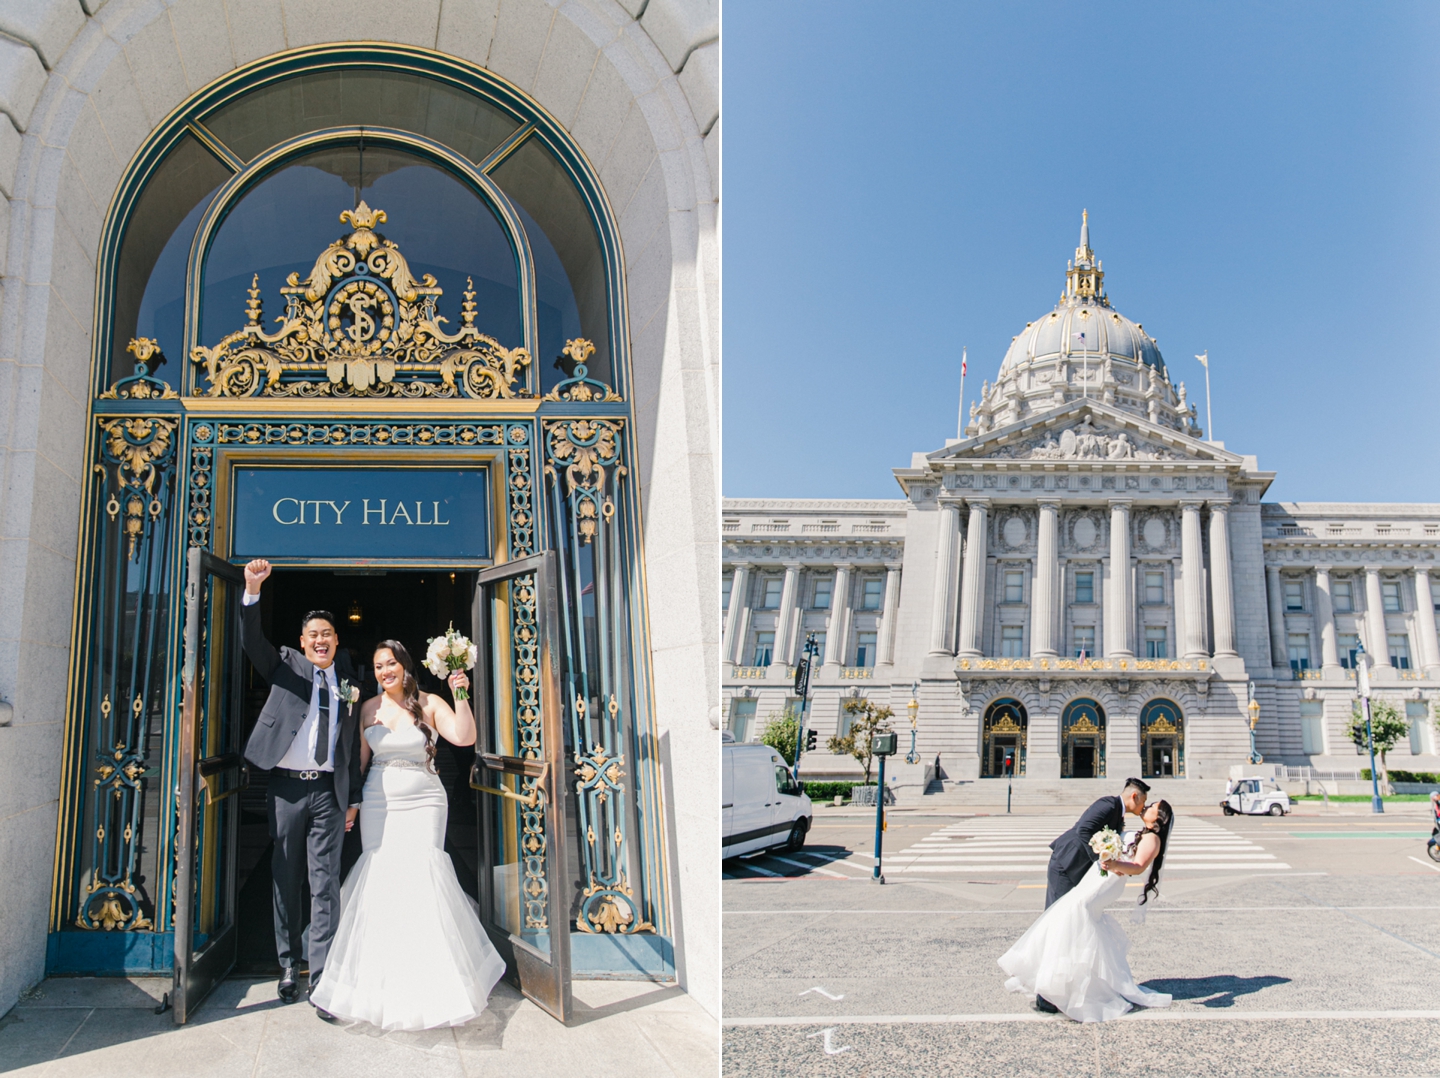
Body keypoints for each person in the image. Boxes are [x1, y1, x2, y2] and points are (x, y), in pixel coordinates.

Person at [310, 639, 506, 1030]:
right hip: (380, 805)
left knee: (423, 878)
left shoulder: (430, 703)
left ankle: (434, 981)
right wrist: (351, 804)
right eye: (379, 666)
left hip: (425, 801)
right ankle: (376, 980)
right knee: (381, 879)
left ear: (405, 664)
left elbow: (464, 737)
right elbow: (360, 763)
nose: (385, 671)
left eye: (391, 663)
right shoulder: (368, 708)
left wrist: (460, 693)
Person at [239, 559, 363, 1013]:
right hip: (287, 789)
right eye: (313, 635)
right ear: (303, 642)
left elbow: (352, 745)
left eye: (327, 634)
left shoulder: (350, 681)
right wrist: (253, 590)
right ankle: (289, 964)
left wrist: (353, 800)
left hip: (329, 793)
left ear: (335, 640)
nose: (321, 640)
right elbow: (253, 642)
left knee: (324, 882)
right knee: (285, 877)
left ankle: (323, 972)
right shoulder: (286, 666)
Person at [998, 800, 1176, 1022]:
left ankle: (1068, 986)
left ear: (1159, 818)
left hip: (1108, 881)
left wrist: (1114, 865)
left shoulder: (1152, 838)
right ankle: (1073, 982)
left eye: (1152, 806)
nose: (1147, 806)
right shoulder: (1144, 834)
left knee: (1076, 913)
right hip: (1100, 876)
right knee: (1075, 918)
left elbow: (1139, 866)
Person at [1031, 776, 1149, 1013]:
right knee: (1056, 924)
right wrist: (1101, 860)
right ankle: (1044, 995)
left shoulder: (1118, 813)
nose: (1144, 806)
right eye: (1143, 801)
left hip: (1076, 870)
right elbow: (1083, 831)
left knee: (1068, 926)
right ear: (1134, 796)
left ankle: (1061, 986)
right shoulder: (1108, 804)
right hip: (1065, 865)